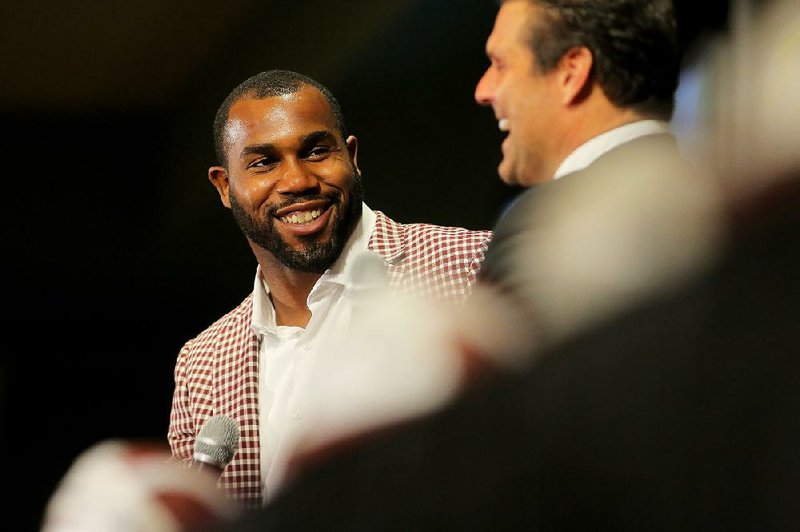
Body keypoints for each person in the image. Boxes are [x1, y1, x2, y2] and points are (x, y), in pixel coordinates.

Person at [216, 0, 800, 529]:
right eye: (263, 162)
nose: (483, 89)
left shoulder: (549, 236)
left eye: (500, 63)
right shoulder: (728, 214)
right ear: (224, 185)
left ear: (571, 72)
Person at [167, 69, 492, 508]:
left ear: (352, 155)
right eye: (264, 162)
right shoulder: (201, 365)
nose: (298, 180)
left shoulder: (470, 264)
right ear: (224, 186)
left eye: (316, 151)